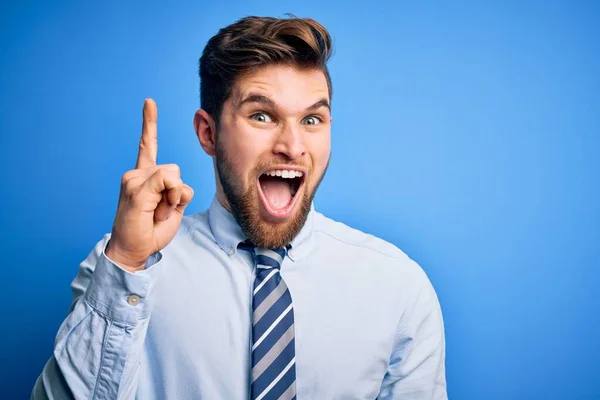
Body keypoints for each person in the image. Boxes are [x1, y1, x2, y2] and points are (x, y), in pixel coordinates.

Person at [31, 15, 447, 400]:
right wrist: (126, 263)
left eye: (312, 120)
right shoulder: (124, 268)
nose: (293, 146)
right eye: (262, 116)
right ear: (208, 133)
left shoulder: (397, 287)